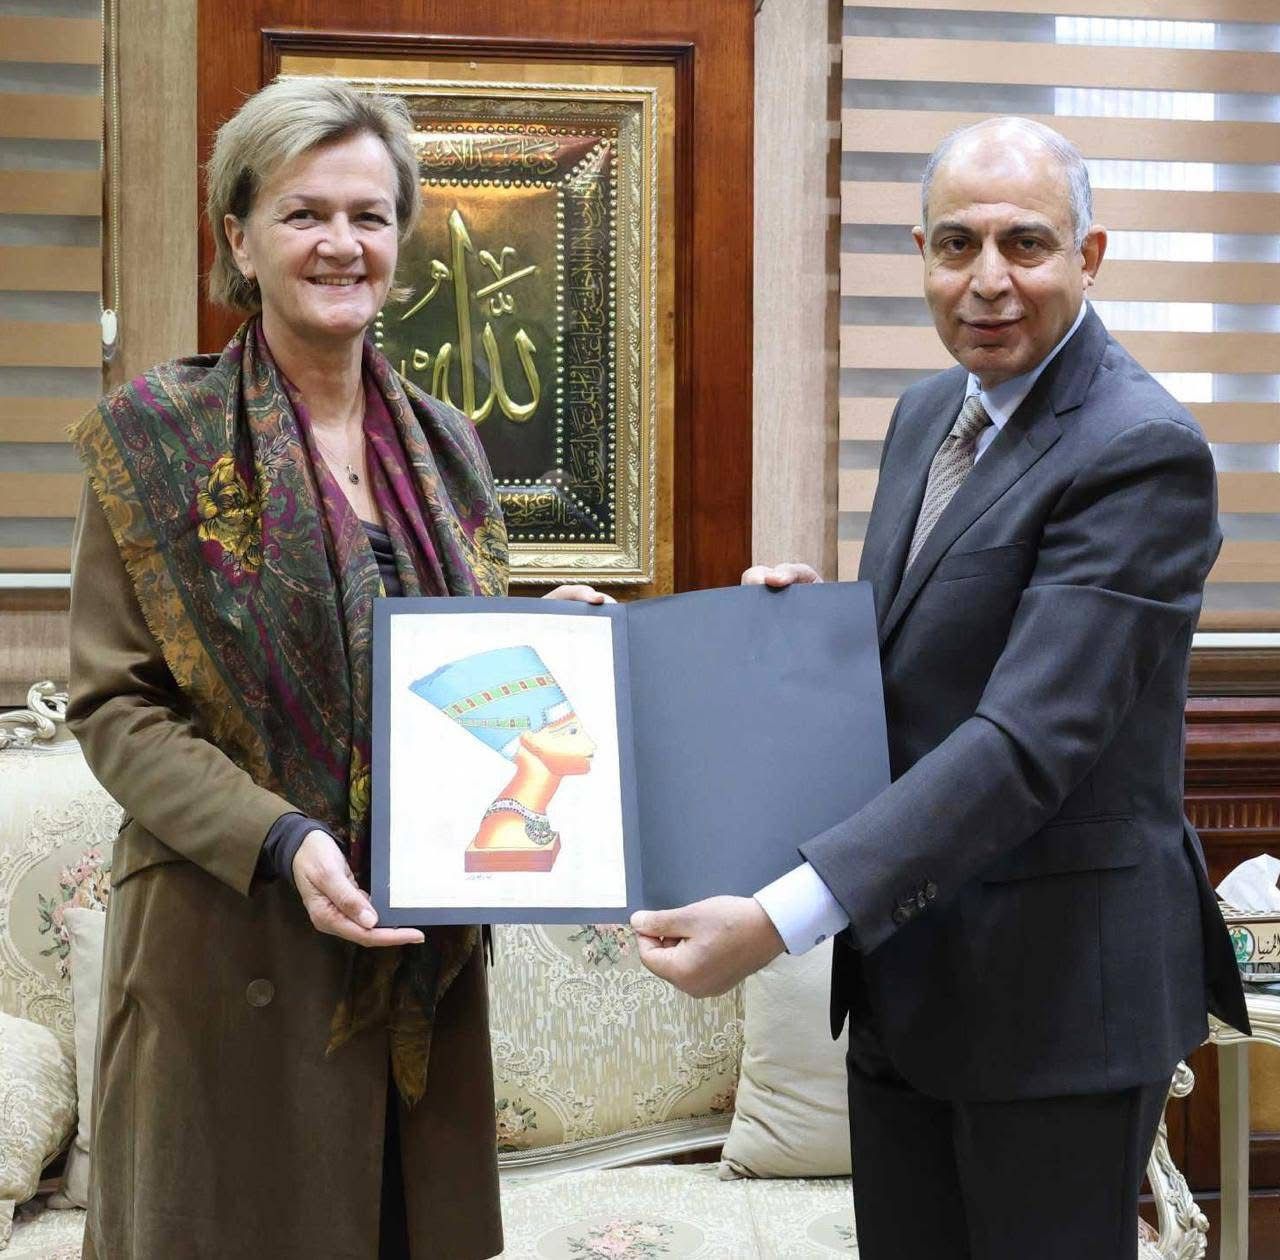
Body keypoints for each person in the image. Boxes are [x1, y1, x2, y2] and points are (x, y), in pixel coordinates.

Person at [631, 116, 1249, 1259]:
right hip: (907, 985)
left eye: (1025, 243)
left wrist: (779, 919)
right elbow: (930, 660)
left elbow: (1027, 740)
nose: (987, 280)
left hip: (1055, 1006)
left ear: (1087, 256)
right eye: (956, 244)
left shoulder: (1139, 448)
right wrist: (804, 637)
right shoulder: (930, 413)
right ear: (920, 254)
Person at [67, 76, 607, 1260]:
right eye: (303, 212)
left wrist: (548, 642)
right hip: (235, 940)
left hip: (417, 957)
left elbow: (450, 677)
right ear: (238, 238)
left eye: (369, 215)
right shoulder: (155, 438)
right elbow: (116, 706)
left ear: (400, 238)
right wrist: (286, 840)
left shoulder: (447, 446)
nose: (340, 243)